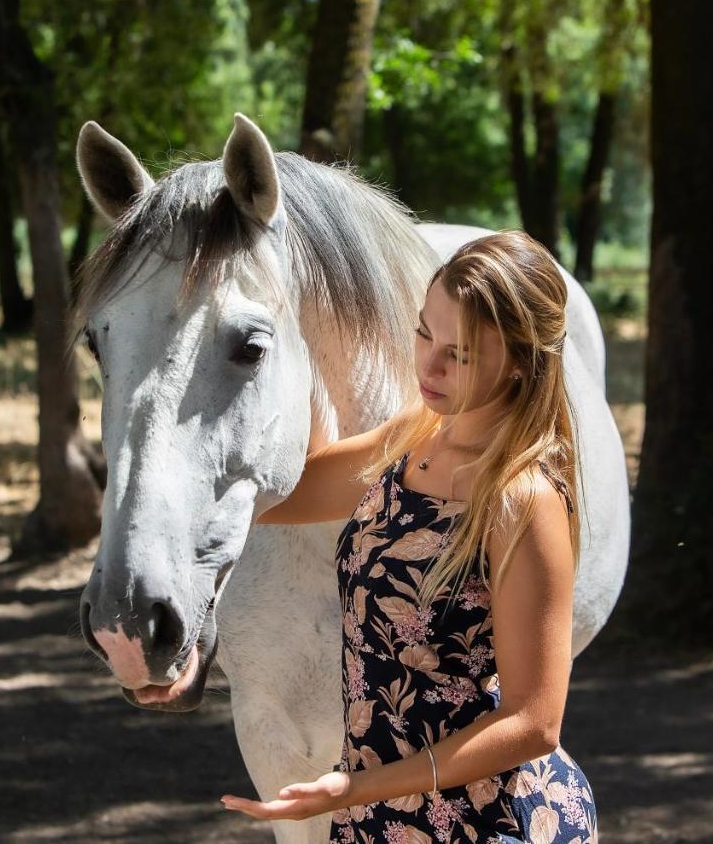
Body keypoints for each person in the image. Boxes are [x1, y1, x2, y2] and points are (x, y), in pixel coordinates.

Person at [220, 230, 598, 843]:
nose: (430, 364)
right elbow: (281, 496)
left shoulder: (521, 501)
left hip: (486, 821)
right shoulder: (415, 437)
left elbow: (534, 724)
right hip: (380, 817)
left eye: (463, 354)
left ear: (523, 361)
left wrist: (356, 787)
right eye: (425, 332)